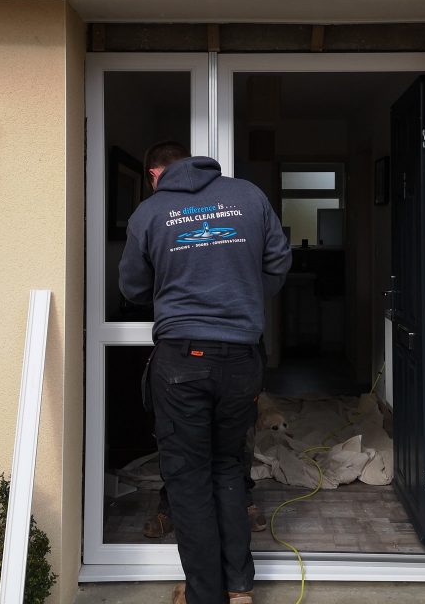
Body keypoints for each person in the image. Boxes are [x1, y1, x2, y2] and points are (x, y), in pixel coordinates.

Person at [119, 141, 291, 604]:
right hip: (241, 358)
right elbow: (278, 262)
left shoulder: (151, 214)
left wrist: (175, 288)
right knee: (227, 467)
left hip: (181, 362)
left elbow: (132, 287)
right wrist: (244, 297)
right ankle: (239, 588)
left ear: (155, 175)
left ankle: (204, 594)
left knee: (188, 476)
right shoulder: (249, 196)